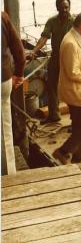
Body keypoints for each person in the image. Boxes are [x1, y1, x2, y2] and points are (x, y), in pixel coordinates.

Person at [52, 11, 81, 165]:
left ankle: (80, 159)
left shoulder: (78, 39)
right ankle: (63, 151)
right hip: (74, 92)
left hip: (79, 91)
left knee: (80, 126)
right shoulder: (71, 43)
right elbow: (72, 73)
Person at [27, 0, 75, 124]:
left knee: (71, 88)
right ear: (57, 8)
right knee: (51, 85)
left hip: (70, 59)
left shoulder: (75, 20)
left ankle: (75, 119)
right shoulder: (52, 21)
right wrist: (34, 51)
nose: (65, 10)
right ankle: (54, 115)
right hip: (56, 57)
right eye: (62, 7)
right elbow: (44, 38)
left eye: (67, 7)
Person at [1, 11, 26, 174]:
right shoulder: (2, 17)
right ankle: (8, 175)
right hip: (3, 79)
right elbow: (19, 51)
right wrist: (19, 73)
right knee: (5, 130)